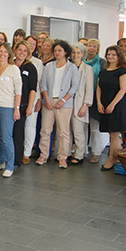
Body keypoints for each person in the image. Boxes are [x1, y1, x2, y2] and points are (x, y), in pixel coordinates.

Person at [37, 40, 79, 169]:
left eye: (60, 50)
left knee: (63, 132)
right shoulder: (49, 66)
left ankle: (62, 157)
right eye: (55, 50)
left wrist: (63, 100)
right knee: (45, 129)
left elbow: (75, 86)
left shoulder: (71, 67)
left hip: (64, 104)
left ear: (65, 52)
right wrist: (47, 99)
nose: (57, 53)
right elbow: (43, 83)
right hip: (48, 101)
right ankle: (44, 155)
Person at [0, 43, 22, 178]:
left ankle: (9, 165)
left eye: (5, 52)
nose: (2, 54)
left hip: (8, 107)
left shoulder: (13, 69)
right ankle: (0, 161)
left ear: (9, 54)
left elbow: (18, 91)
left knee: (7, 137)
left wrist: (17, 108)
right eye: (0, 51)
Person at [99, 46, 126, 170]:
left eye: (113, 55)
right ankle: (116, 158)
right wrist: (99, 103)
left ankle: (112, 159)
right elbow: (99, 88)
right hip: (105, 103)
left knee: (114, 134)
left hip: (117, 105)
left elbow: (123, 89)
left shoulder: (122, 71)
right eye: (109, 54)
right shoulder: (104, 71)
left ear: (118, 57)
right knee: (111, 133)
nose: (110, 57)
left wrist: (112, 104)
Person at [12, 41, 37, 169]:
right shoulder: (10, 64)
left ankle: (16, 160)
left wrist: (30, 106)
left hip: (22, 106)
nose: (22, 53)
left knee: (18, 132)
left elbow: (33, 88)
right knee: (7, 133)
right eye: (20, 50)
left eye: (25, 51)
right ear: (15, 50)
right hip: (8, 103)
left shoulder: (30, 67)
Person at [68, 43, 94, 164]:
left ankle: (79, 155)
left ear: (83, 54)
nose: (75, 55)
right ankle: (66, 153)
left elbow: (89, 89)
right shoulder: (68, 66)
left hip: (79, 103)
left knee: (78, 130)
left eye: (78, 53)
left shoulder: (87, 69)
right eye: (73, 52)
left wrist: (85, 105)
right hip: (66, 103)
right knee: (65, 130)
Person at [84, 39, 108, 164]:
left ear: (97, 49)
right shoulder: (82, 60)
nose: (91, 48)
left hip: (96, 96)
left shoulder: (102, 63)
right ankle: (82, 151)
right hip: (82, 96)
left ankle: (96, 152)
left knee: (94, 127)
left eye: (94, 46)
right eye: (89, 45)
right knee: (82, 126)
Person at [22, 36, 43, 164]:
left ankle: (27, 153)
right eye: (28, 43)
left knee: (30, 126)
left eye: (33, 44)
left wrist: (39, 100)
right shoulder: (15, 61)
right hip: (18, 99)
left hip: (33, 98)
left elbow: (39, 83)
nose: (30, 45)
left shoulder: (37, 62)